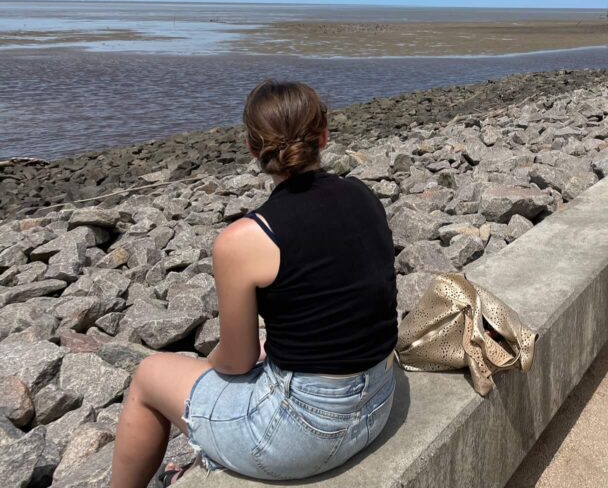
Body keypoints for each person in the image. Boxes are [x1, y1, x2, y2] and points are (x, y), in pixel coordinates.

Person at [111, 81, 398, 487]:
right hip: (378, 403)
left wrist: (208, 365)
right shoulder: (364, 196)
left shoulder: (244, 239)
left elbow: (237, 361)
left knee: (148, 375)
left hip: (304, 435)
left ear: (252, 148)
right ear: (324, 136)